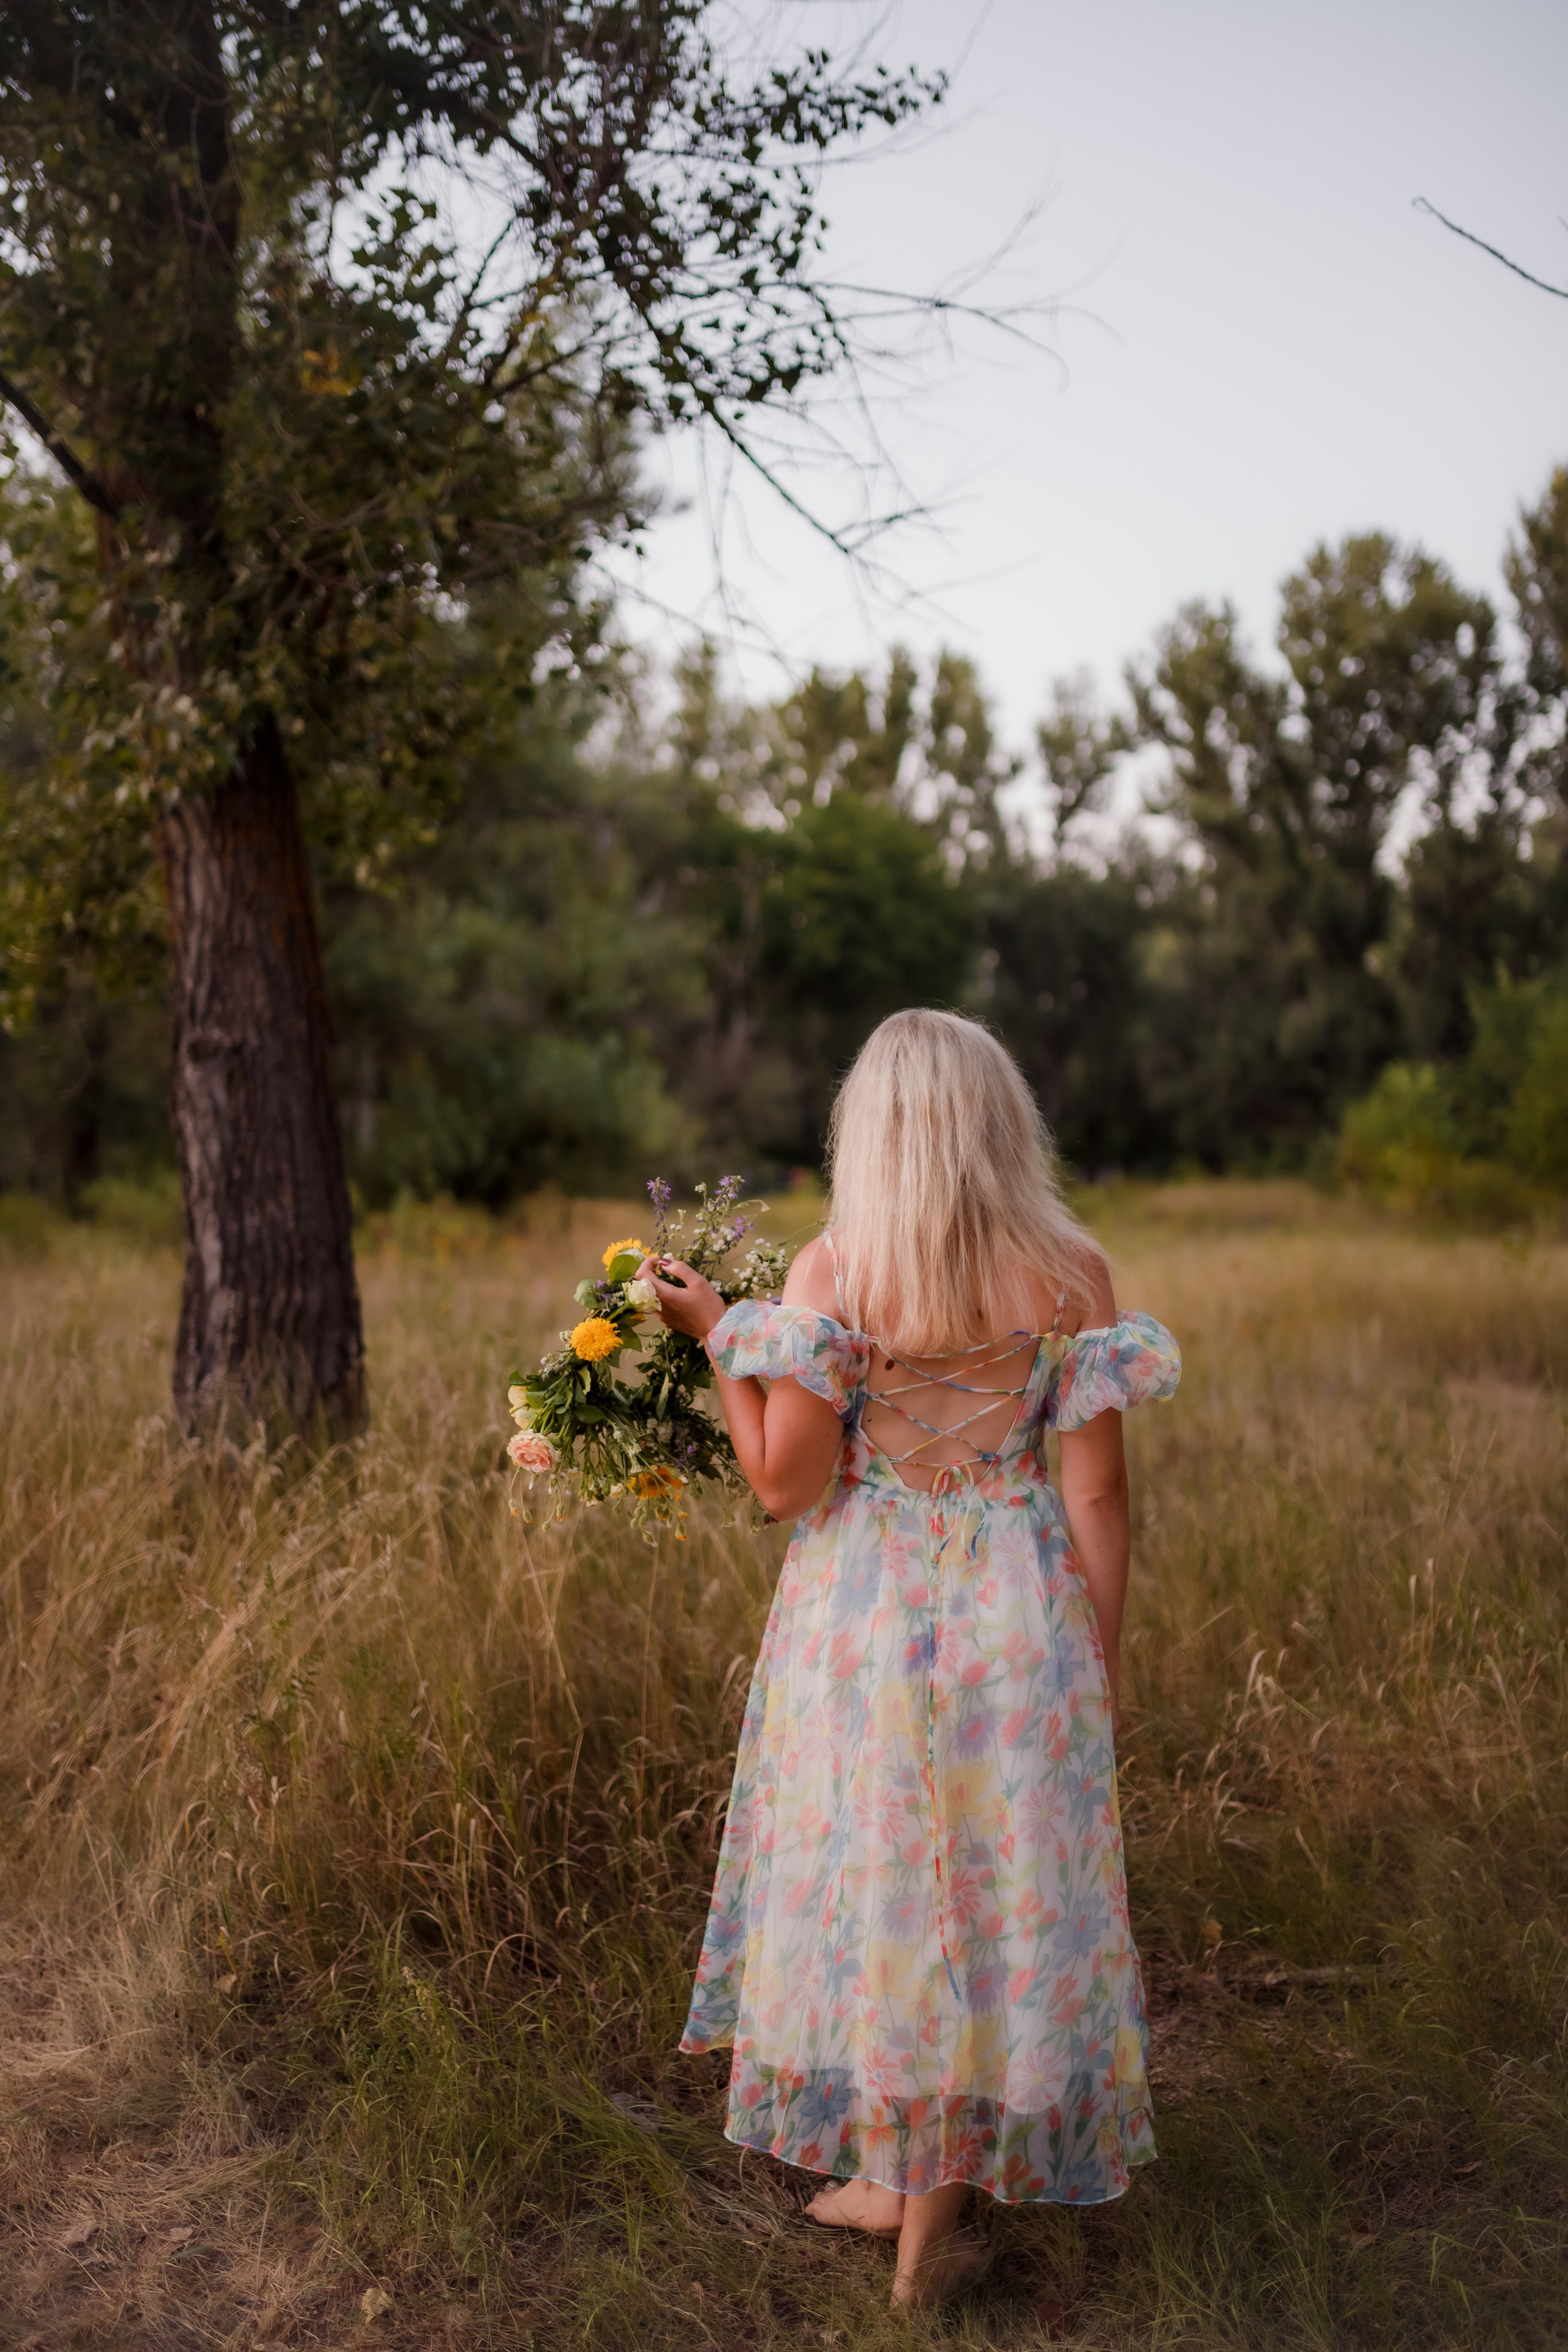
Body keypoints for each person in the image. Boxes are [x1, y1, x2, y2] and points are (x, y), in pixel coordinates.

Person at [638, 1009, 1180, 2310]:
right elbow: (1096, 1495)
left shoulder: (837, 1274)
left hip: (868, 1612)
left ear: (867, 1134)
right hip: (1016, 1606)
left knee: (886, 1879)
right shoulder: (1070, 1277)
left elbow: (784, 1483)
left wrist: (723, 1336)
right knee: (983, 1889)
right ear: (999, 1125)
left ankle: (919, 2216)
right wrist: (1092, 1658)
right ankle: (912, 2176)